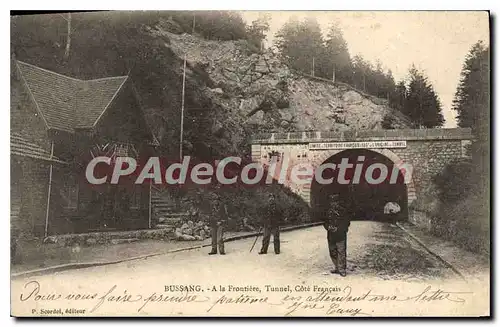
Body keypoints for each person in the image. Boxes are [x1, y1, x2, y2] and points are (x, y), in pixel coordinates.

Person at [324, 193, 352, 277]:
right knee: (332, 251)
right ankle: (336, 267)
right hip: (331, 235)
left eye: (335, 202)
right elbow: (324, 221)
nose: (333, 204)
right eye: (332, 202)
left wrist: (339, 229)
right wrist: (328, 227)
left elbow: (347, 222)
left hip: (340, 235)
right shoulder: (328, 211)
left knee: (341, 252)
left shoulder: (343, 211)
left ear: (338, 202)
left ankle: (342, 269)